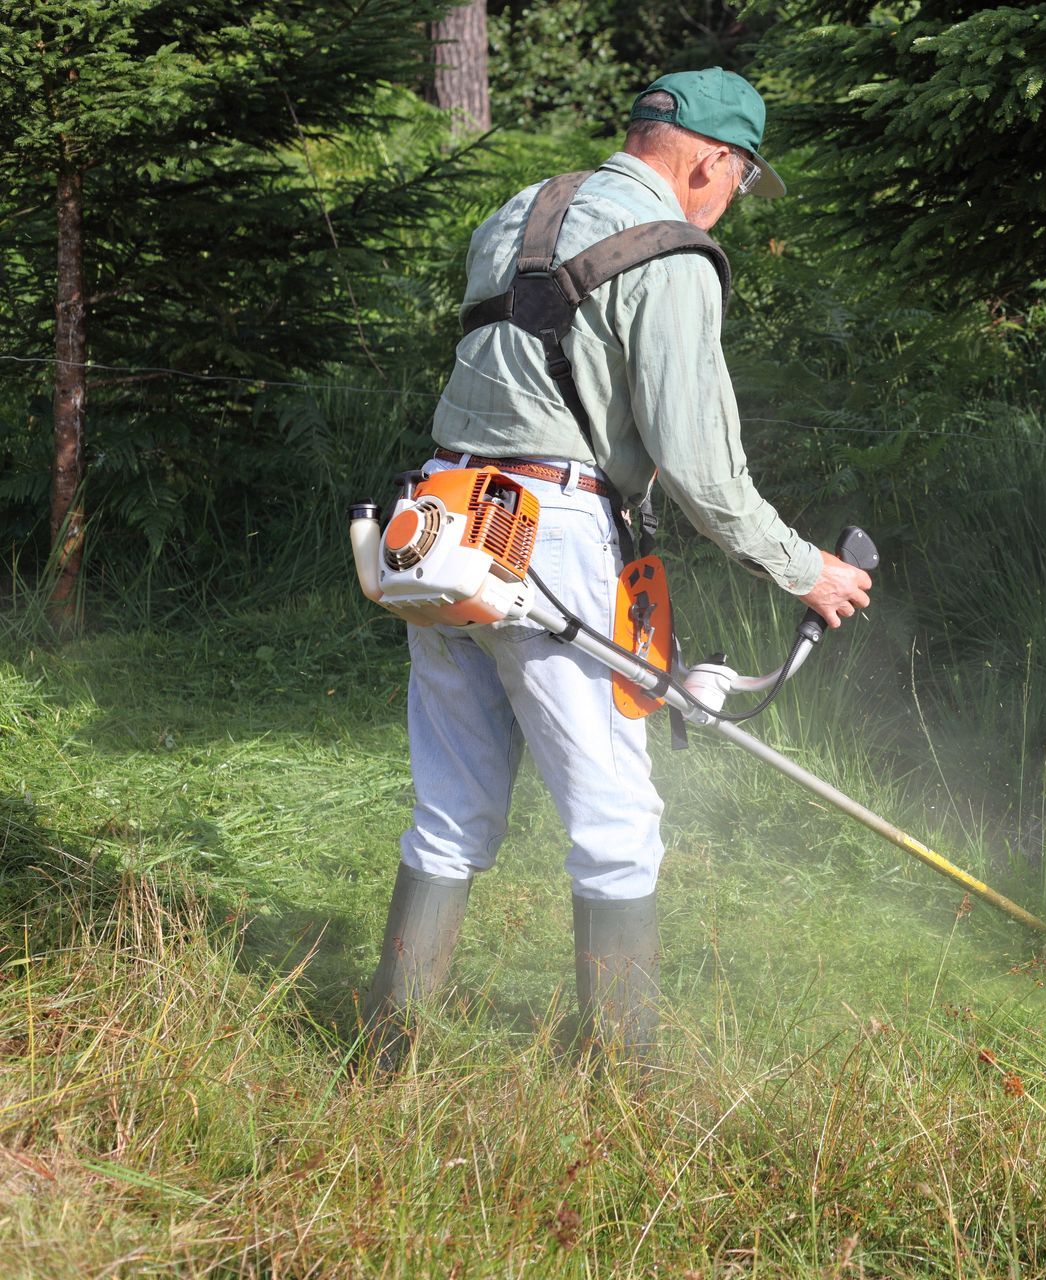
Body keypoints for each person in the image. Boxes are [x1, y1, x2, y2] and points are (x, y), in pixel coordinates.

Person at [361, 68, 872, 1068]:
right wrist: (803, 568)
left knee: (452, 799)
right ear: (712, 160)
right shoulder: (672, 253)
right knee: (616, 815)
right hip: (547, 529)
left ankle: (389, 1047)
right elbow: (700, 464)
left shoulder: (518, 212)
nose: (730, 198)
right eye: (737, 178)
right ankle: (620, 1078)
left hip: (438, 517)